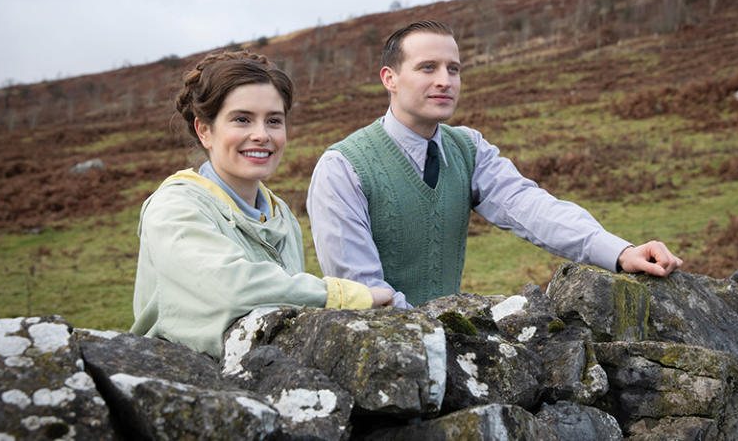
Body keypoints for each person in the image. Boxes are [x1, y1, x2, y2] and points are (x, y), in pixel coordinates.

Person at [307, 20, 683, 309]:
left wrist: (618, 252)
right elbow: (361, 289)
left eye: (453, 69)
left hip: (447, 345)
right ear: (389, 78)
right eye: (427, 68)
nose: (445, 81)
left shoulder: (468, 148)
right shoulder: (342, 167)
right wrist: (439, 331)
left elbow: (529, 208)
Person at [131, 50, 393, 358]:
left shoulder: (281, 214)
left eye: (273, 121)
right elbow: (231, 287)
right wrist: (345, 296)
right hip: (182, 383)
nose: (261, 135)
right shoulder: (174, 207)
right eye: (242, 119)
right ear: (205, 130)